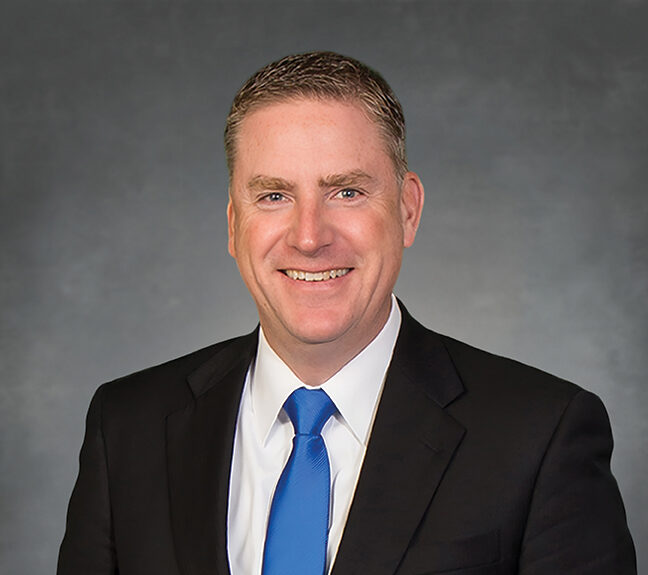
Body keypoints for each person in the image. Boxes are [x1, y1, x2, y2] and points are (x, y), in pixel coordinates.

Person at [58, 51, 636, 575]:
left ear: (407, 210)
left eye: (347, 192)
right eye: (274, 196)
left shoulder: (540, 435)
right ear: (234, 226)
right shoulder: (126, 426)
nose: (309, 237)